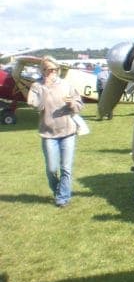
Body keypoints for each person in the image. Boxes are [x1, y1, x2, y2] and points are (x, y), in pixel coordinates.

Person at [24, 56, 84, 208]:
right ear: (42, 70)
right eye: (47, 69)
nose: (51, 72)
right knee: (51, 169)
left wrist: (72, 104)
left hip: (68, 132)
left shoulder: (66, 85)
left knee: (66, 168)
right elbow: (36, 106)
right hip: (48, 133)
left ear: (57, 70)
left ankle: (63, 197)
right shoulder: (37, 86)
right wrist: (45, 88)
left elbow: (79, 105)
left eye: (53, 69)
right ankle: (58, 189)